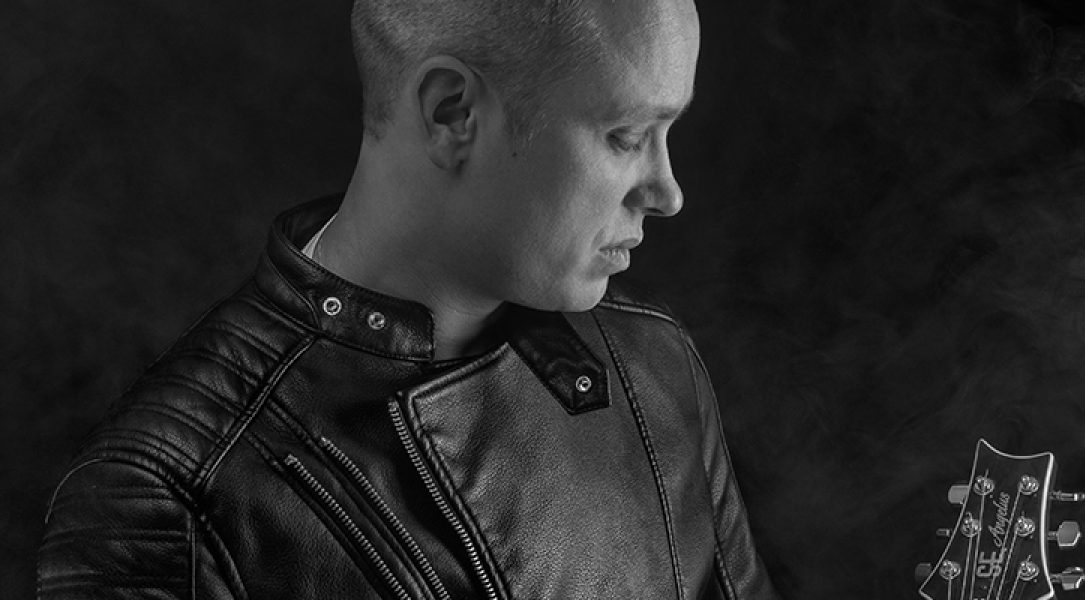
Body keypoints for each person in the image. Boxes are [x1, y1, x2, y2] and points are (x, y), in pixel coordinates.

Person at [37, 0, 780, 598]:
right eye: (627, 135)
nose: (667, 192)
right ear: (452, 112)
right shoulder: (167, 494)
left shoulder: (653, 365)